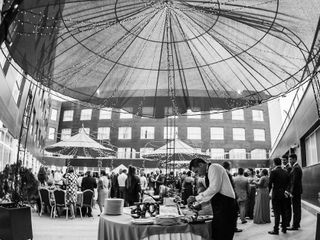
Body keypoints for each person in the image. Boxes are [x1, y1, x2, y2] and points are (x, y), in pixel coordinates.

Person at [187, 158, 237, 240]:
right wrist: (201, 203)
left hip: (226, 205)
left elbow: (214, 188)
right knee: (217, 233)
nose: (198, 174)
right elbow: (211, 193)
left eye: (196, 171)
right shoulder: (208, 172)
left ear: (201, 165)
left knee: (224, 234)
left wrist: (196, 198)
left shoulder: (214, 167)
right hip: (220, 205)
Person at [268, 157, 290, 235]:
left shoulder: (273, 172)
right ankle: (284, 228)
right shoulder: (285, 171)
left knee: (277, 213)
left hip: (276, 194)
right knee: (283, 212)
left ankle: (276, 230)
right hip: (283, 194)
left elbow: (270, 183)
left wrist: (268, 193)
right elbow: (288, 183)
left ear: (274, 163)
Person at [222, 161, 243, 233]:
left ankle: (230, 227)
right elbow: (231, 186)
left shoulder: (223, 173)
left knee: (229, 212)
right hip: (230, 195)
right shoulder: (227, 173)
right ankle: (233, 227)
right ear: (228, 166)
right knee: (234, 212)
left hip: (225, 195)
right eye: (230, 165)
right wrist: (235, 195)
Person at [288, 153, 303, 230]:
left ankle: (295, 225)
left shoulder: (296, 168)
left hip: (295, 192)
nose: (289, 161)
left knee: (296, 209)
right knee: (297, 208)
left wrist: (291, 192)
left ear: (294, 159)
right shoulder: (296, 167)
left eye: (290, 159)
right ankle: (297, 223)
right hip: (297, 191)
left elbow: (294, 182)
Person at [282, 155, 292, 228]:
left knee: (288, 207)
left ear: (287, 160)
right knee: (285, 206)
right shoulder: (285, 168)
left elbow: (289, 181)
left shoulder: (289, 168)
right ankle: (285, 221)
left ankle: (287, 222)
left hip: (287, 190)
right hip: (284, 189)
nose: (283, 161)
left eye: (284, 160)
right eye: (282, 160)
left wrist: (287, 191)